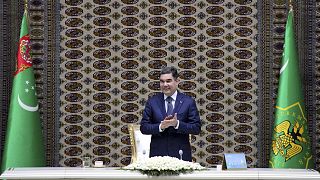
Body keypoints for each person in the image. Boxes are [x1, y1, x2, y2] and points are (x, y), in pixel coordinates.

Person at [140, 66, 201, 161]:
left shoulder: (188, 102)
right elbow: (144, 127)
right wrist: (161, 126)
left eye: (168, 81)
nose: (165, 84)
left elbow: (196, 128)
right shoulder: (152, 102)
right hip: (157, 157)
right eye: (162, 81)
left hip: (181, 156)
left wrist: (177, 124)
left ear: (177, 81)